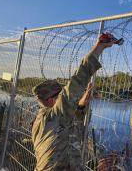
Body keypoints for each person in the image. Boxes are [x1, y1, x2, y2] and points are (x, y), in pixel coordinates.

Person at [31, 33, 119, 171]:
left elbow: (67, 125)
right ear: (50, 100)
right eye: (59, 95)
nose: (62, 97)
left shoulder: (43, 120)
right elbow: (77, 80)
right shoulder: (54, 116)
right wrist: (100, 46)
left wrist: (81, 104)